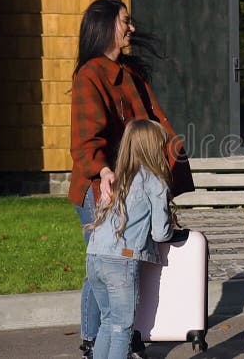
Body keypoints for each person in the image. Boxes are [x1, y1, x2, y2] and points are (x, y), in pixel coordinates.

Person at [69, 0, 195, 359]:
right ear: (106, 25)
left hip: (132, 184)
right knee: (107, 261)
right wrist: (104, 171)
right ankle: (95, 341)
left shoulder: (129, 73)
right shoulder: (91, 75)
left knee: (116, 263)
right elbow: (85, 138)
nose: (132, 28)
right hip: (102, 187)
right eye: (126, 20)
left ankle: (120, 335)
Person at [86, 119, 175, 359]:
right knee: (122, 328)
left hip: (94, 257)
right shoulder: (155, 182)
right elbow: (160, 233)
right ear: (153, 148)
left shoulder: (114, 179)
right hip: (121, 261)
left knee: (107, 322)